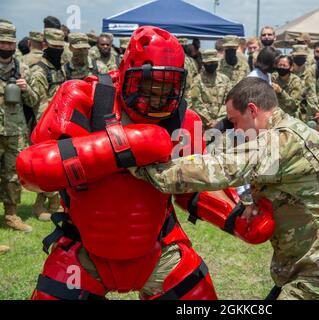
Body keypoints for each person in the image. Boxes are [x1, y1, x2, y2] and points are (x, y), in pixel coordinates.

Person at [17, 26, 274, 300]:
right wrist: (123, 148)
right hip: (84, 252)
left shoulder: (184, 119)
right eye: (148, 86)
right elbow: (32, 168)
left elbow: (193, 186)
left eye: (166, 89)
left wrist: (236, 217)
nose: (156, 97)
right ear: (126, 73)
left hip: (160, 250)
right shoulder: (84, 97)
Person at [132, 77, 319, 300]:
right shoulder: (281, 134)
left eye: (234, 121)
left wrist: (136, 165)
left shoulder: (282, 140)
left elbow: (220, 168)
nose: (234, 130)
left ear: (252, 110)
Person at [0, 21, 39, 234]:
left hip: (15, 131)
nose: (6, 47)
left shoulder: (22, 67)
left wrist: (25, 89)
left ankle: (11, 215)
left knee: (13, 174)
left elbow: (34, 100)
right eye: (2, 42)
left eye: (10, 43)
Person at [29, 28, 67, 221]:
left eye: (61, 47)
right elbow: (35, 101)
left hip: (58, 122)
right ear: (45, 46)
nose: (58, 50)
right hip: (44, 124)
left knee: (56, 165)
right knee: (44, 166)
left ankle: (53, 204)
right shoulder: (39, 71)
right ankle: (41, 206)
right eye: (54, 47)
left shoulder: (58, 67)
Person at [190, 49, 232, 129]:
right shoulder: (197, 80)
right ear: (204, 63)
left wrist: (219, 121)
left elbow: (228, 101)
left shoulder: (225, 79)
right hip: (203, 124)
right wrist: (209, 120)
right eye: (209, 63)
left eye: (214, 62)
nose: (211, 65)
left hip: (222, 123)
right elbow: (196, 102)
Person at [290, 45, 310, 121]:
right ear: (292, 56)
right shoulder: (287, 72)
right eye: (297, 56)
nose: (300, 58)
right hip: (291, 113)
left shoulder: (311, 73)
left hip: (307, 113)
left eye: (302, 56)